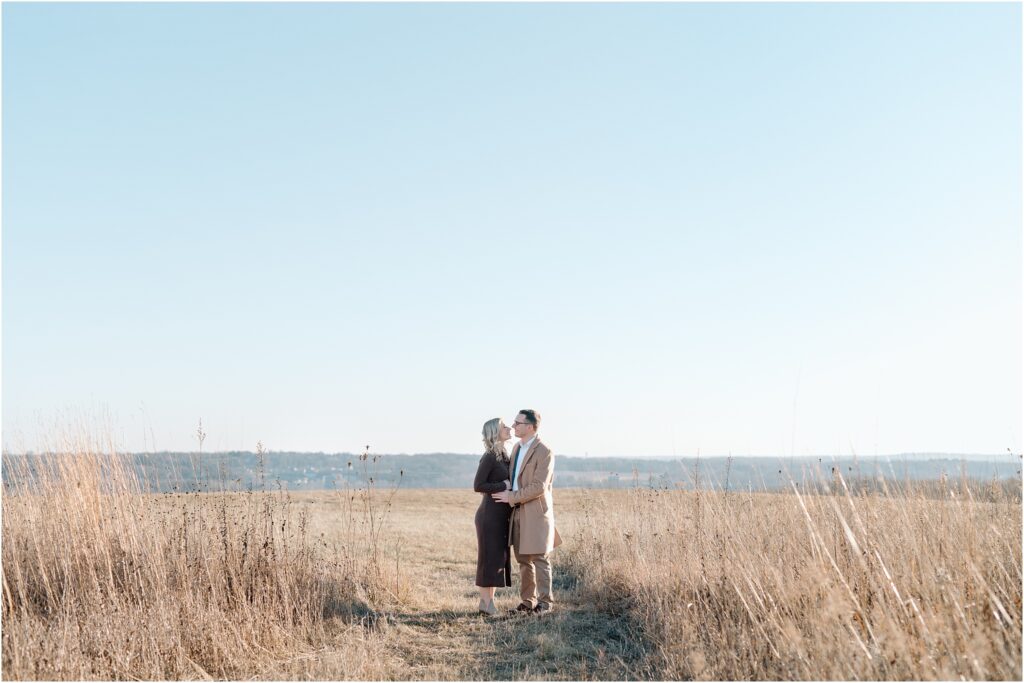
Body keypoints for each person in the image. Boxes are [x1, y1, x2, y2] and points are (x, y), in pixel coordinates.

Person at [491, 409, 561, 615]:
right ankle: (527, 602)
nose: (514, 426)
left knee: (540, 558)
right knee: (523, 559)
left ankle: (545, 604)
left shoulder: (544, 451)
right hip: (517, 512)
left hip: (536, 513)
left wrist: (511, 497)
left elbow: (539, 486)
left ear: (530, 426)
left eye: (518, 423)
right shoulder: (516, 449)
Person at [473, 417, 513, 615]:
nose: (509, 428)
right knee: (488, 559)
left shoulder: (504, 455)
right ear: (494, 433)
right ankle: (487, 604)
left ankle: (487, 603)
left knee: (498, 559)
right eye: (504, 426)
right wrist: (503, 485)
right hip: (489, 516)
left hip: (501, 517)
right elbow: (478, 485)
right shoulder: (489, 456)